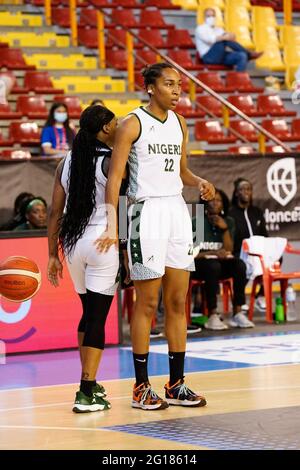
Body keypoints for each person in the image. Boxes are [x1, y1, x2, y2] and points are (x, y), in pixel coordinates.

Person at [98, 62, 215, 410]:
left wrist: (199, 182)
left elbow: (179, 170)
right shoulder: (131, 123)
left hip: (178, 210)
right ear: (150, 87)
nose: (177, 90)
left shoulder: (180, 124)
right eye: (169, 84)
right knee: (147, 303)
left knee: (178, 302)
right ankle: (140, 386)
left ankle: (176, 383)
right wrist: (111, 223)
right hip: (142, 212)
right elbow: (116, 179)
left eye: (179, 85)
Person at [47, 105, 119, 413]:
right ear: (104, 129)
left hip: (73, 244)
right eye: (115, 124)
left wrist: (52, 254)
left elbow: (53, 212)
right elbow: (122, 202)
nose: (119, 129)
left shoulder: (66, 161)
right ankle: (86, 391)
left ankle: (88, 382)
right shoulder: (112, 160)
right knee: (97, 319)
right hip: (103, 241)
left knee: (87, 314)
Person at [192, 189, 254, 329]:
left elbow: (229, 249)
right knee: (213, 266)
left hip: (220, 265)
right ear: (205, 203)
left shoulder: (229, 222)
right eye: (212, 200)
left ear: (223, 204)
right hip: (199, 266)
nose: (215, 203)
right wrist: (212, 252)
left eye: (218, 200)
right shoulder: (197, 222)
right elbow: (190, 253)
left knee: (239, 265)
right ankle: (213, 315)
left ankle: (238, 313)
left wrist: (224, 229)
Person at [228, 177, 268, 312]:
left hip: (257, 252)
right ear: (236, 193)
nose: (246, 192)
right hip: (239, 252)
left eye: (249, 189)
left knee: (276, 258)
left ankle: (260, 295)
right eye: (242, 189)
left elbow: (264, 235)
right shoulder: (230, 213)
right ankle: (240, 300)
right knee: (241, 264)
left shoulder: (257, 212)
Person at [195, 8, 263, 71]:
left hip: (221, 55)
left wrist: (230, 36)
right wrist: (225, 37)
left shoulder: (218, 29)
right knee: (224, 40)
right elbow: (210, 40)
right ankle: (249, 54)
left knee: (242, 55)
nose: (211, 18)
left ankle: (238, 80)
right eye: (208, 16)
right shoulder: (200, 29)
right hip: (208, 57)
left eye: (213, 16)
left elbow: (231, 37)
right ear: (204, 17)